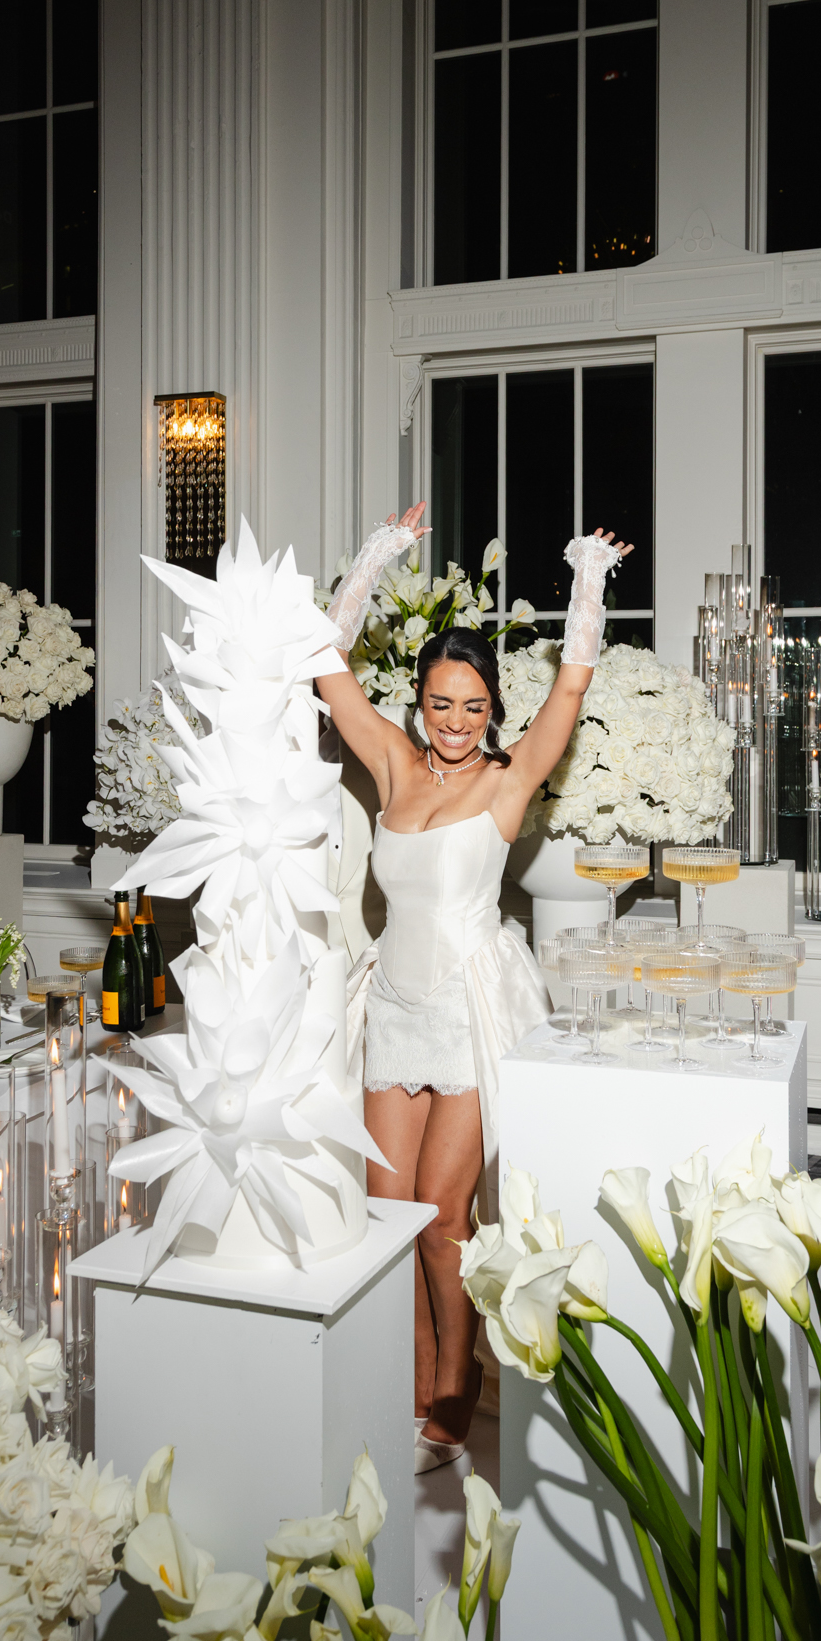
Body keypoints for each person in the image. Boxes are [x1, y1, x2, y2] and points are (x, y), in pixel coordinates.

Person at [316, 505, 632, 1471]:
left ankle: (454, 1389)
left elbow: (570, 689)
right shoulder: (391, 765)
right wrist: (376, 555)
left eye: (472, 706)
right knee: (384, 1216)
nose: (455, 723)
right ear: (418, 704)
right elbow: (323, 664)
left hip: (465, 1011)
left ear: (491, 709)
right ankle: (404, 1381)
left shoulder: (505, 781)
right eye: (440, 704)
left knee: (443, 1220)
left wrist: (587, 579)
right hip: (392, 1008)